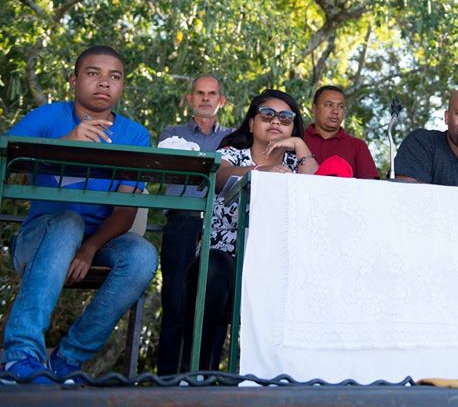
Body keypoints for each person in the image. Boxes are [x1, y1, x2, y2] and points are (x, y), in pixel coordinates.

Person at [2, 45, 157, 383]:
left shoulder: (134, 135)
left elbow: (125, 211)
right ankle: (19, 355)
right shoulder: (48, 117)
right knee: (68, 222)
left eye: (114, 77)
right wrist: (65, 144)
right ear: (73, 81)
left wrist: (88, 249)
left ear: (122, 85)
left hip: (98, 242)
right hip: (39, 239)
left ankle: (67, 359)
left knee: (143, 255)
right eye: (93, 73)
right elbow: (5, 156)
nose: (104, 83)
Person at [181, 89, 318, 371]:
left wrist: (300, 145)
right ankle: (196, 375)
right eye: (267, 114)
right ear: (252, 123)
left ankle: (281, 380)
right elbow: (221, 178)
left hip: (276, 267)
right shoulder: (232, 154)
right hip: (227, 261)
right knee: (212, 269)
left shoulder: (295, 164)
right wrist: (260, 172)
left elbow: (316, 190)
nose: (276, 121)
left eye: (286, 117)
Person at [155, 75, 233, 376]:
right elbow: (169, 166)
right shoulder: (172, 134)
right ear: (190, 99)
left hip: (220, 224)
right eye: (200, 93)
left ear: (221, 100)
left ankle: (205, 376)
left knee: (216, 302)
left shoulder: (233, 139)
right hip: (182, 221)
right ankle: (166, 379)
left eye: (212, 93)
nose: (205, 98)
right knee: (175, 301)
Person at [303, 85, 379, 179]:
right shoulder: (299, 139)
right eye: (329, 105)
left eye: (341, 106)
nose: (335, 111)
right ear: (314, 109)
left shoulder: (357, 146)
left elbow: (370, 184)